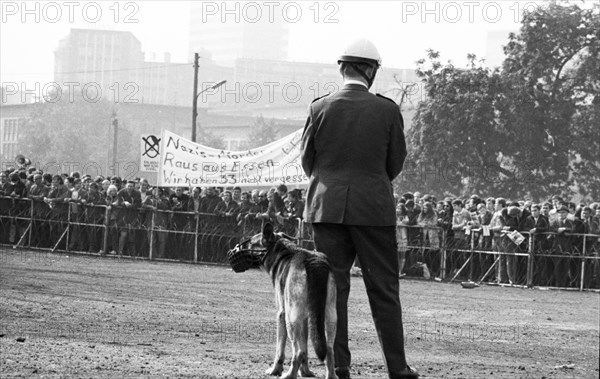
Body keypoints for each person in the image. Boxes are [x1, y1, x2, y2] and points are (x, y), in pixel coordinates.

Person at [301, 39, 418, 379]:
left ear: (342, 68)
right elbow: (395, 162)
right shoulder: (387, 109)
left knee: (333, 290)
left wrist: (332, 185)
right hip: (373, 209)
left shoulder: (319, 108)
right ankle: (397, 368)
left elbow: (308, 162)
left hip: (327, 208)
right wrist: (370, 185)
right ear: (371, 71)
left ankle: (338, 366)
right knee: (383, 289)